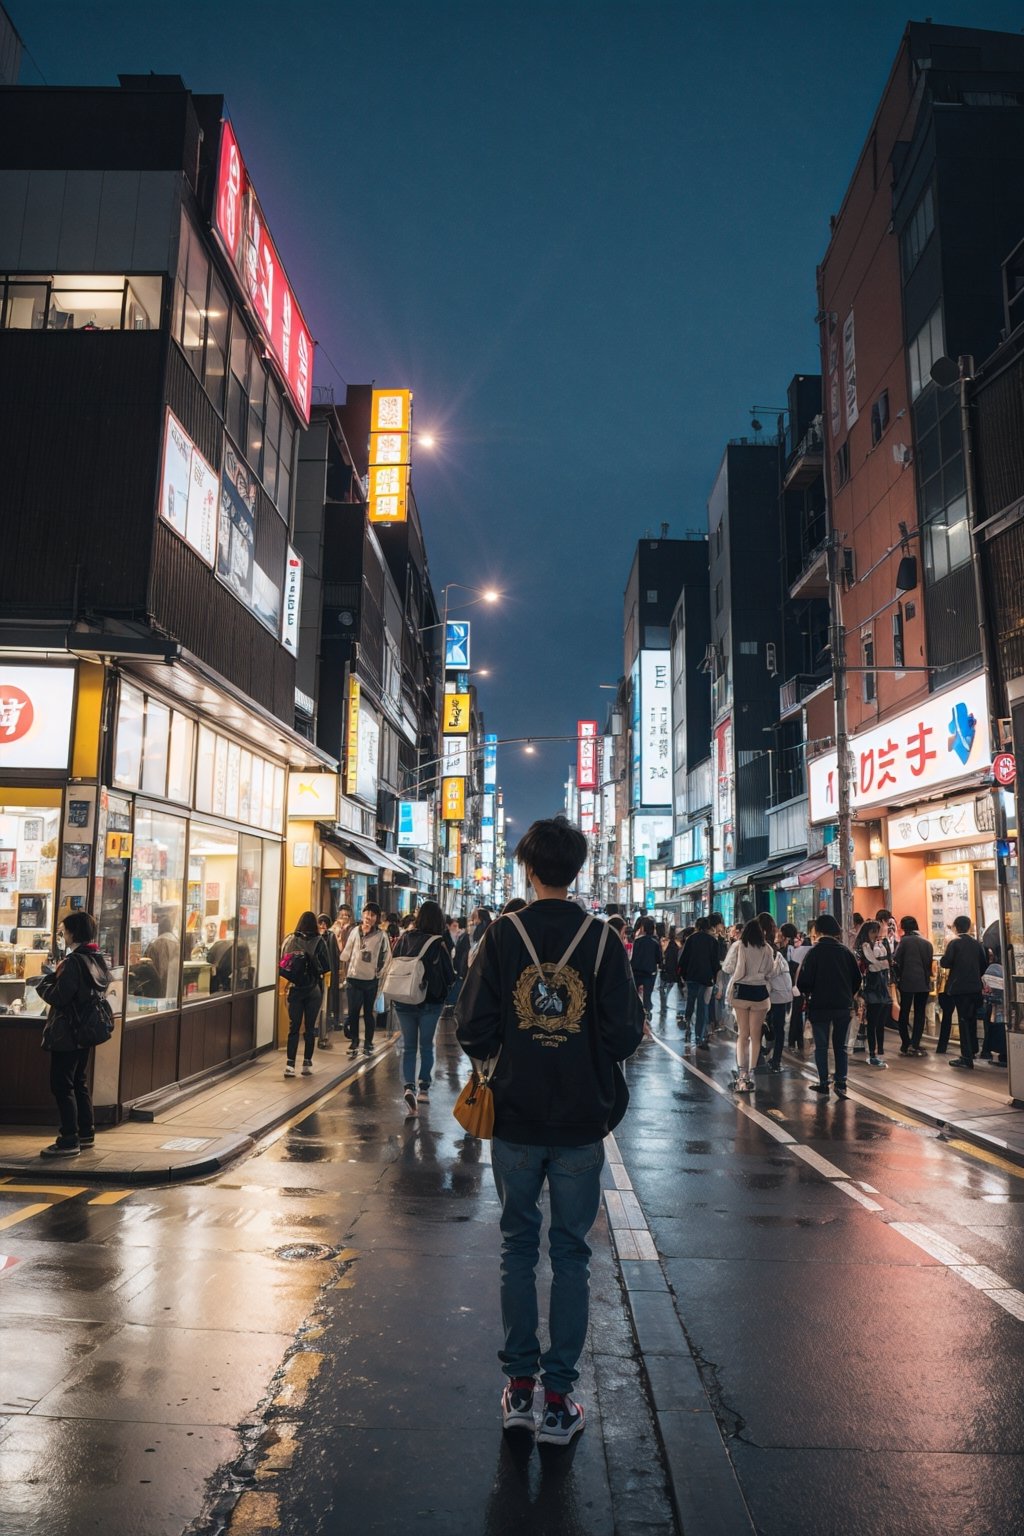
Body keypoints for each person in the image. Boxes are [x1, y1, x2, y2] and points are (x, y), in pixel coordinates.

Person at [455, 815, 644, 1445]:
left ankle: (519, 1389)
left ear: (528, 870)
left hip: (513, 1113)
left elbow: (473, 1024)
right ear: (579, 869)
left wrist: (504, 1055)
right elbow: (623, 1032)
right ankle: (561, 1399)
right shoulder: (602, 939)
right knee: (571, 1254)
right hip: (581, 1119)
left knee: (516, 1247)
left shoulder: (503, 936)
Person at [32, 910, 111, 1157]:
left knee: (61, 1084)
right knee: (79, 1081)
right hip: (85, 1029)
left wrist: (44, 983)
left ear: (73, 932)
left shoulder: (74, 961)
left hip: (67, 1032)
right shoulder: (96, 957)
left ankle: (68, 1139)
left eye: (64, 930)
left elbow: (60, 997)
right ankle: (86, 1133)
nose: (62, 935)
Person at [390, 899, 455, 1115]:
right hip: (430, 1002)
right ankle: (423, 1088)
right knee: (426, 1045)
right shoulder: (439, 943)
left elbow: (394, 962)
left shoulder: (405, 937)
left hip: (404, 999)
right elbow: (449, 975)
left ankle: (409, 1086)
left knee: (409, 1046)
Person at [795, 915, 861, 1099]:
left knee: (821, 1046)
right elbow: (857, 979)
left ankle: (824, 1082)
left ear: (819, 931)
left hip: (820, 1006)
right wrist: (848, 993)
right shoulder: (846, 952)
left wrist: (808, 992)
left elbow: (804, 982)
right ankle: (841, 1082)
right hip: (842, 1006)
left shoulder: (814, 953)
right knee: (840, 1046)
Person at [721, 919, 775, 1092]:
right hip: (759, 992)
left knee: (742, 1034)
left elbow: (728, 968)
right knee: (755, 1035)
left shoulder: (738, 946)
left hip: (742, 991)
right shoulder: (767, 948)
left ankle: (742, 1073)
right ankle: (752, 1072)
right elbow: (770, 971)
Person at [280, 911, 331, 1076]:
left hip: (295, 989)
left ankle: (290, 1064)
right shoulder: (320, 942)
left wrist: (284, 987)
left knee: (293, 1027)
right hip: (313, 990)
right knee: (310, 1028)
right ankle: (307, 1063)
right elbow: (327, 967)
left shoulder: (291, 940)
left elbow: (283, 964)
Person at [341, 903, 391, 1055]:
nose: (369, 917)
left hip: (370, 980)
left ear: (377, 919)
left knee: (369, 1013)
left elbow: (387, 957)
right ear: (362, 914)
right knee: (353, 1013)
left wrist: (379, 973)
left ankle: (368, 1043)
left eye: (373, 915)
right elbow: (346, 952)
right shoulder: (355, 931)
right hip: (353, 979)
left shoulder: (382, 936)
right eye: (367, 913)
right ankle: (355, 1042)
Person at [940, 915, 988, 1070]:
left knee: (963, 1020)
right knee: (972, 1018)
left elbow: (945, 963)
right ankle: (973, 1049)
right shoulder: (976, 944)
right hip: (975, 987)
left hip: (960, 988)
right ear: (969, 926)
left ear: (955, 927)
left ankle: (966, 1057)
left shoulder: (954, 943)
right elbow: (983, 965)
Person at [891, 915, 934, 1057]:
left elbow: (896, 960)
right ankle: (915, 1043)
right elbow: (929, 964)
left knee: (904, 1012)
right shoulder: (927, 943)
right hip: (923, 983)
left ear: (903, 927)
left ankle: (905, 1043)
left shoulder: (904, 941)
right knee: (920, 1013)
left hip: (907, 982)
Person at [678, 917, 720, 1046]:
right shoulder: (713, 941)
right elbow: (715, 962)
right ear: (708, 927)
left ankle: (687, 1022)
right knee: (702, 1006)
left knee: (690, 1000)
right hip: (706, 978)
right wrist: (714, 978)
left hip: (691, 976)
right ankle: (698, 1037)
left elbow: (683, 960)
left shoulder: (691, 939)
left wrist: (684, 976)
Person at [855, 920, 891, 1068]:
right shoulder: (863, 947)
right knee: (872, 1023)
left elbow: (883, 964)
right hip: (871, 990)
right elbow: (876, 965)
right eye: (873, 932)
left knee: (877, 1023)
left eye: (877, 931)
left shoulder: (877, 945)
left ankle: (876, 1052)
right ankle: (873, 1053)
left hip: (879, 988)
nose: (876, 935)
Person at [326, 906, 355, 1030]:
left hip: (347, 966)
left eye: (347, 915)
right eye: (342, 915)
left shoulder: (352, 930)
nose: (344, 918)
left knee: (344, 993)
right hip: (334, 965)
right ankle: (334, 1018)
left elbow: (345, 949)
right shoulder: (333, 929)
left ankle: (342, 1019)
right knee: (334, 993)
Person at [630, 916, 661, 1021]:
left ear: (643, 928)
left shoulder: (637, 941)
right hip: (650, 973)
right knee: (647, 995)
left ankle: (636, 1012)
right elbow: (659, 959)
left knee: (635, 994)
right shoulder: (655, 943)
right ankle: (647, 1013)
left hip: (636, 971)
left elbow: (633, 957)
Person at [658, 926, 680, 1015]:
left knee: (662, 987)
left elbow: (662, 954)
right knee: (668, 986)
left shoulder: (665, 942)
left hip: (666, 967)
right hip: (673, 967)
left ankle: (663, 1004)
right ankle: (664, 1003)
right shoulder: (678, 943)